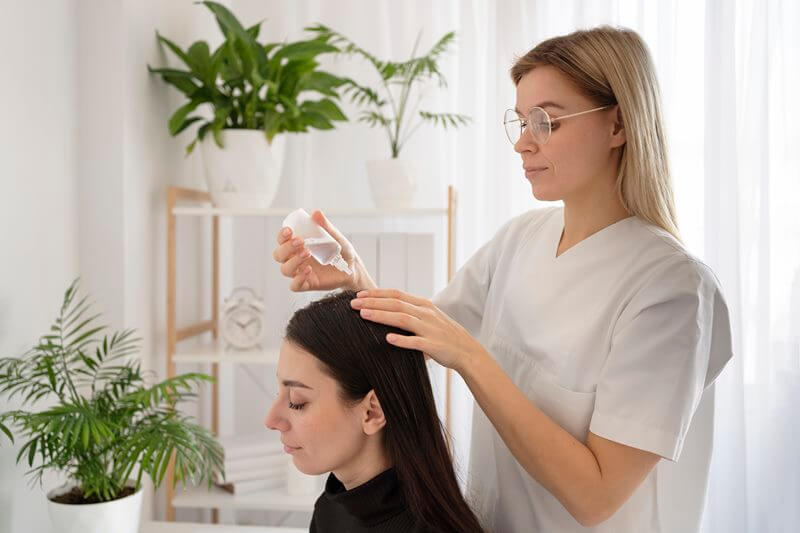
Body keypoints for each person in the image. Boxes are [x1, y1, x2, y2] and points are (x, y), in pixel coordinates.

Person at [272, 26, 733, 532]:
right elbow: (418, 342)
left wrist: (471, 357)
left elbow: (597, 496)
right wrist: (354, 280)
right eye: (519, 121)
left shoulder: (671, 290)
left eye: (546, 122)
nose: (523, 143)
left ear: (618, 125)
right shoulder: (520, 240)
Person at [264, 290, 486, 533]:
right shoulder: (331, 510)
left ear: (372, 412)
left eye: (297, 401)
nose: (272, 420)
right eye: (279, 394)